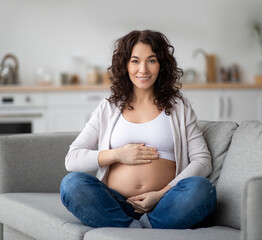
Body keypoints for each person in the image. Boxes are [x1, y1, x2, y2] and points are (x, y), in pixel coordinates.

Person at [60, 30, 217, 229]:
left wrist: (161, 193)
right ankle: (137, 229)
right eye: (135, 61)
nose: (143, 69)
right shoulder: (108, 108)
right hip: (116, 204)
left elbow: (203, 161)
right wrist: (118, 155)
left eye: (151, 60)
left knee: (203, 189)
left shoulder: (179, 108)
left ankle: (141, 228)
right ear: (125, 65)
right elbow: (72, 159)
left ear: (161, 65)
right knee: (72, 184)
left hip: (165, 203)